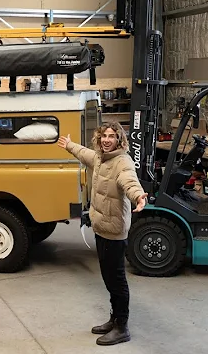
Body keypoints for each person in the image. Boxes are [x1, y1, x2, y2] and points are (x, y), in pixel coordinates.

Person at [57, 121, 148, 346]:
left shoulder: (122, 162)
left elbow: (130, 181)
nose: (107, 140)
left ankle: (122, 327)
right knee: (108, 278)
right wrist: (69, 145)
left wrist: (138, 196)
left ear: (119, 140)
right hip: (100, 227)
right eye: (104, 136)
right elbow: (85, 154)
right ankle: (114, 319)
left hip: (114, 232)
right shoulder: (100, 157)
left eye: (111, 136)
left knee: (116, 280)